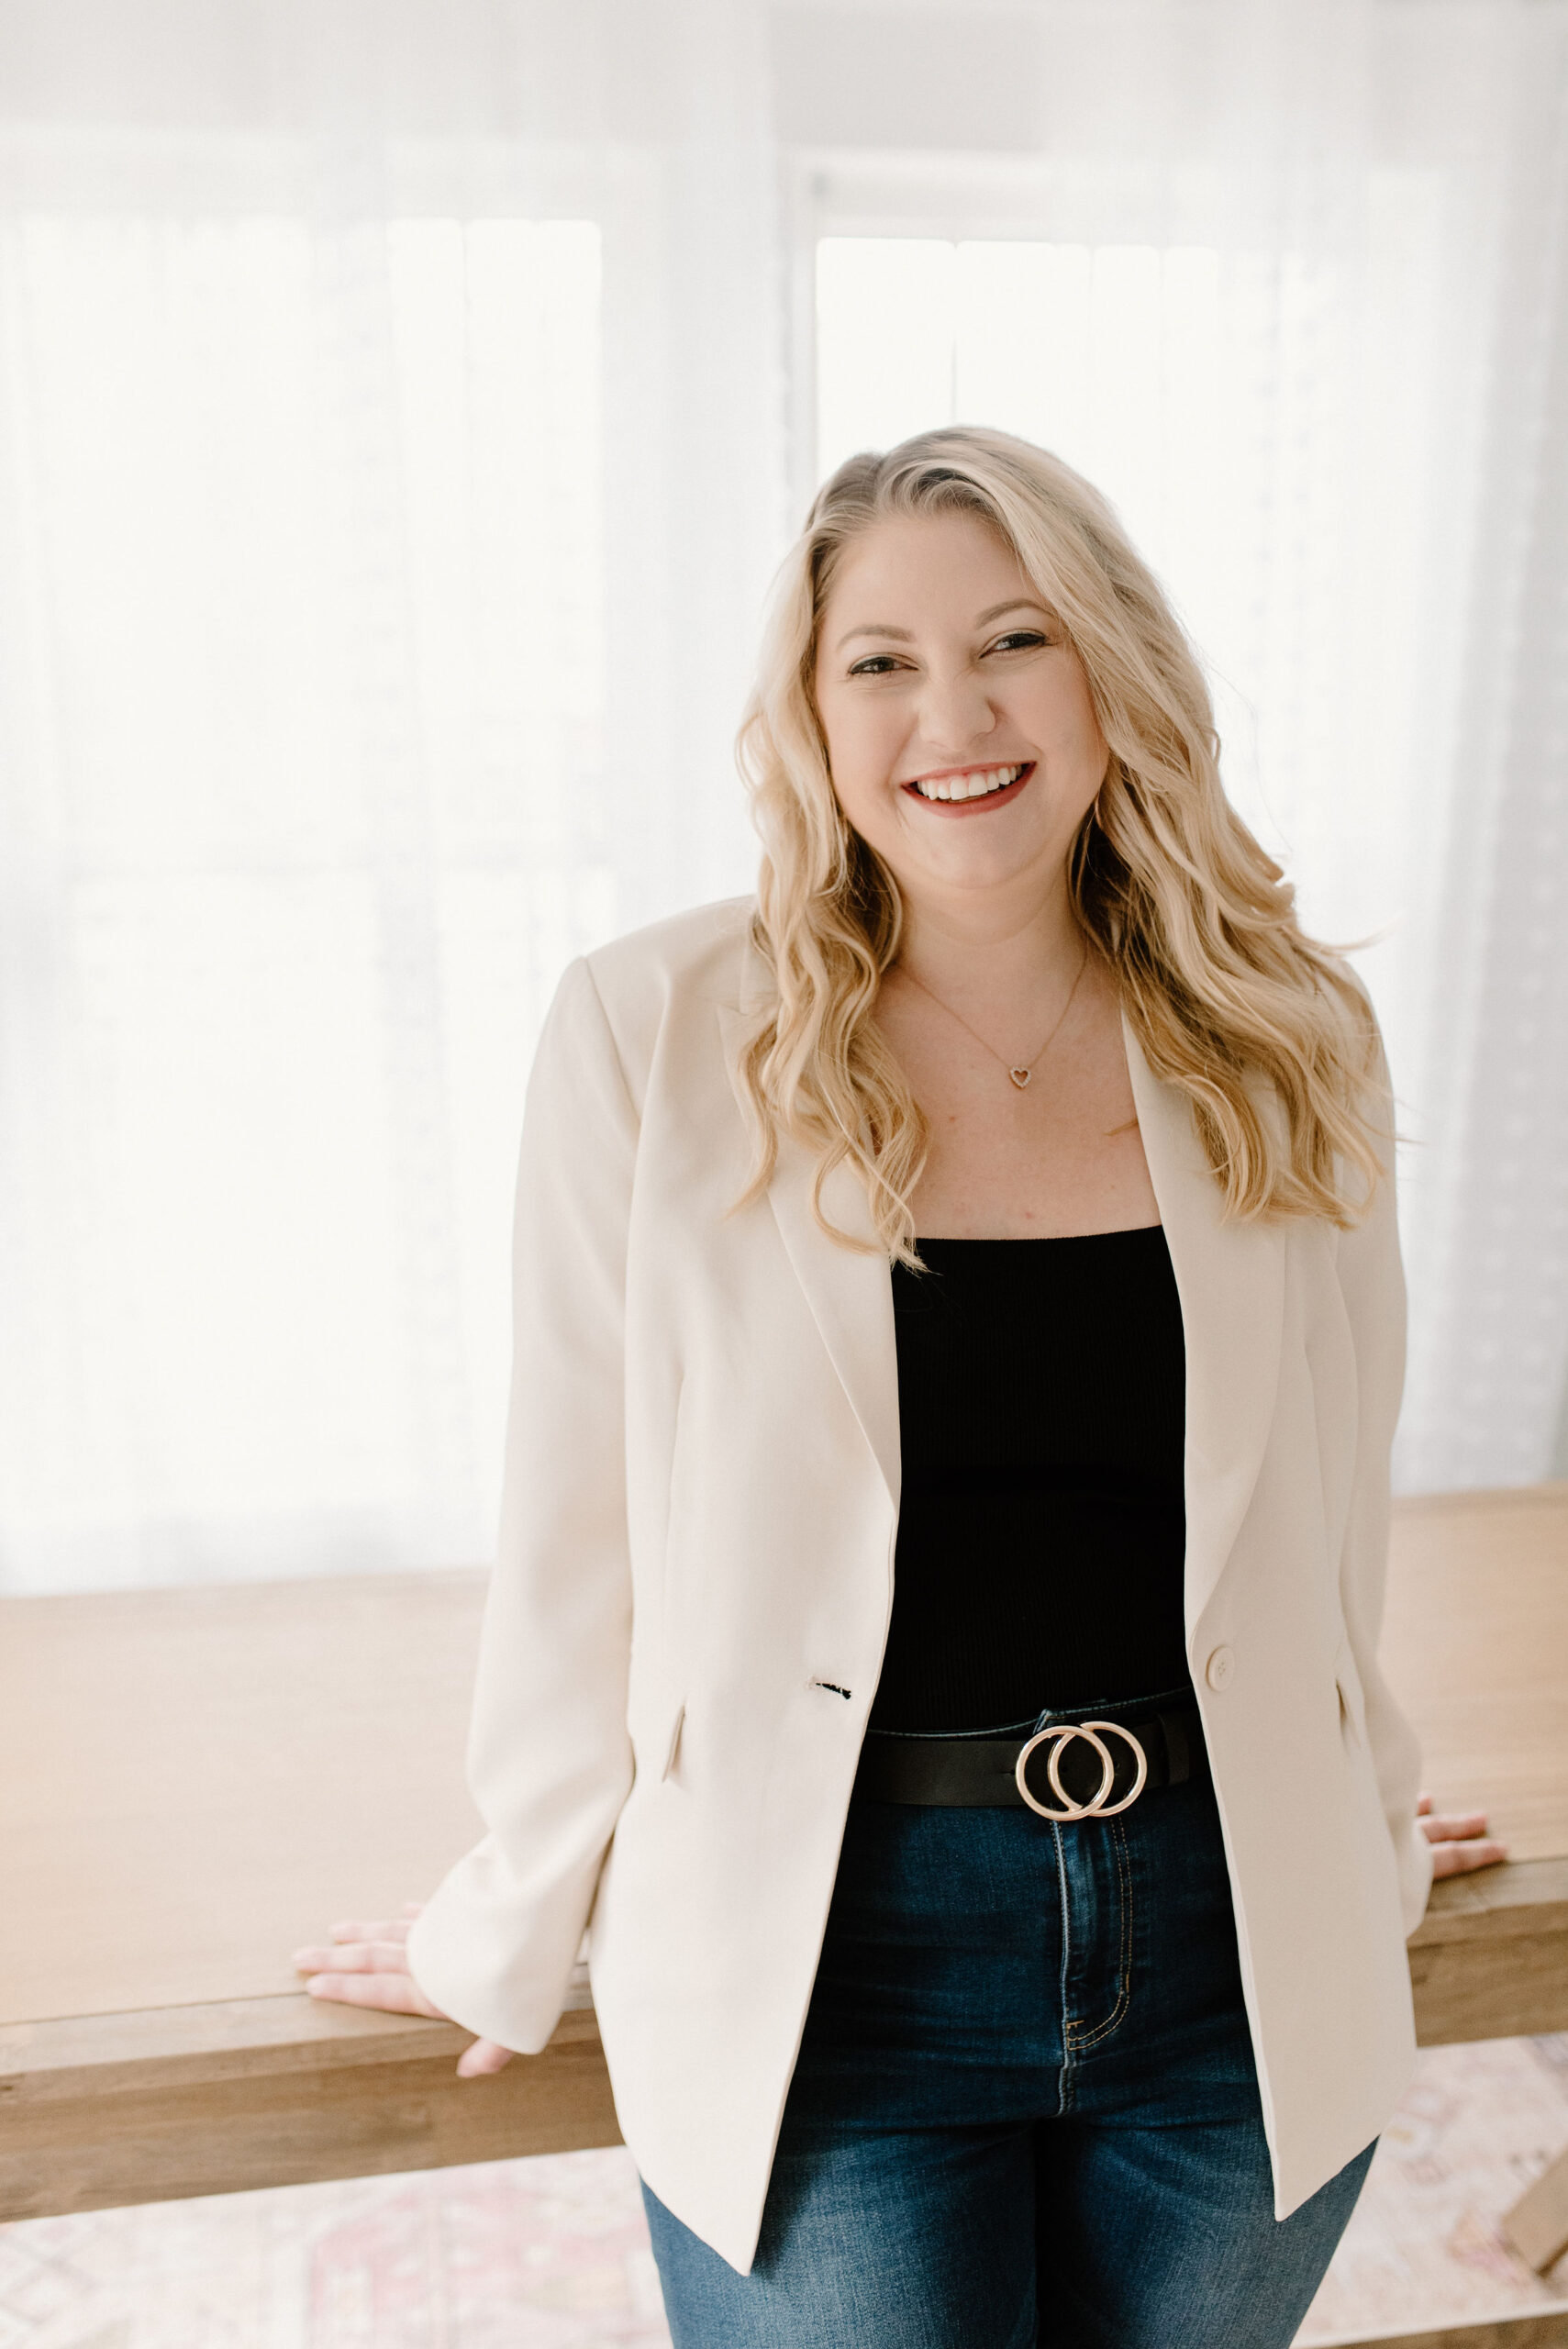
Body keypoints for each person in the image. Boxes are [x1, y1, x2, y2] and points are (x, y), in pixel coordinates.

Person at [294, 427, 1506, 2348]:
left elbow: (1329, 1493)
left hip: (1229, 1938)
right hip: (832, 1951)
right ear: (811, 710)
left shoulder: (1287, 1025)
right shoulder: (659, 1026)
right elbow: (574, 1517)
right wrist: (519, 1897)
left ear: (1113, 668)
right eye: (881, 660)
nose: (955, 710)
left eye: (1015, 638)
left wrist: (1356, 1787)